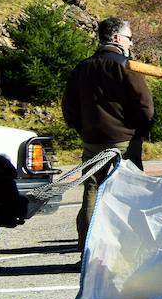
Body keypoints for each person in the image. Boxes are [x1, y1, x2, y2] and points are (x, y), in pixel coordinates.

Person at [62, 18, 154, 248]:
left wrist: (82, 129)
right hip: (123, 142)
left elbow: (68, 106)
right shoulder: (127, 66)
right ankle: (129, 249)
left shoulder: (82, 68)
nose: (131, 44)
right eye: (129, 38)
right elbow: (145, 105)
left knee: (91, 195)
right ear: (117, 38)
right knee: (130, 196)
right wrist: (141, 132)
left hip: (91, 141)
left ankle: (88, 251)